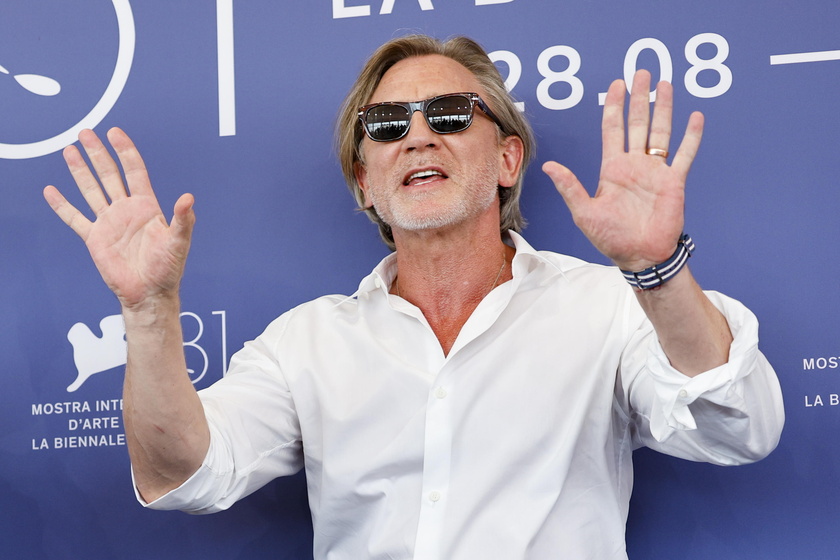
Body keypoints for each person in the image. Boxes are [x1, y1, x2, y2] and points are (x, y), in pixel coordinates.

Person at [44, 34, 784, 560]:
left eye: (452, 115)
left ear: (506, 157)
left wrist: (655, 267)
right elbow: (183, 473)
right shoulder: (308, 342)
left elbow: (741, 426)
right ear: (366, 181)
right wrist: (147, 312)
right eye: (388, 125)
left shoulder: (607, 308)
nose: (419, 137)